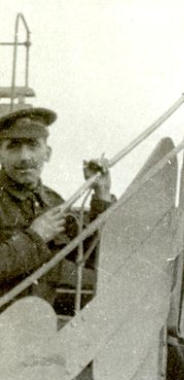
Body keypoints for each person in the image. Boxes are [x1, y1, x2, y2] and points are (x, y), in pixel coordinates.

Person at [0, 105, 112, 302]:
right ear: (1, 154)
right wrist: (36, 237)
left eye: (33, 145)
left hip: (37, 325)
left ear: (48, 153)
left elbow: (91, 258)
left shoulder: (54, 203)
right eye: (14, 146)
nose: (25, 157)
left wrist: (101, 196)